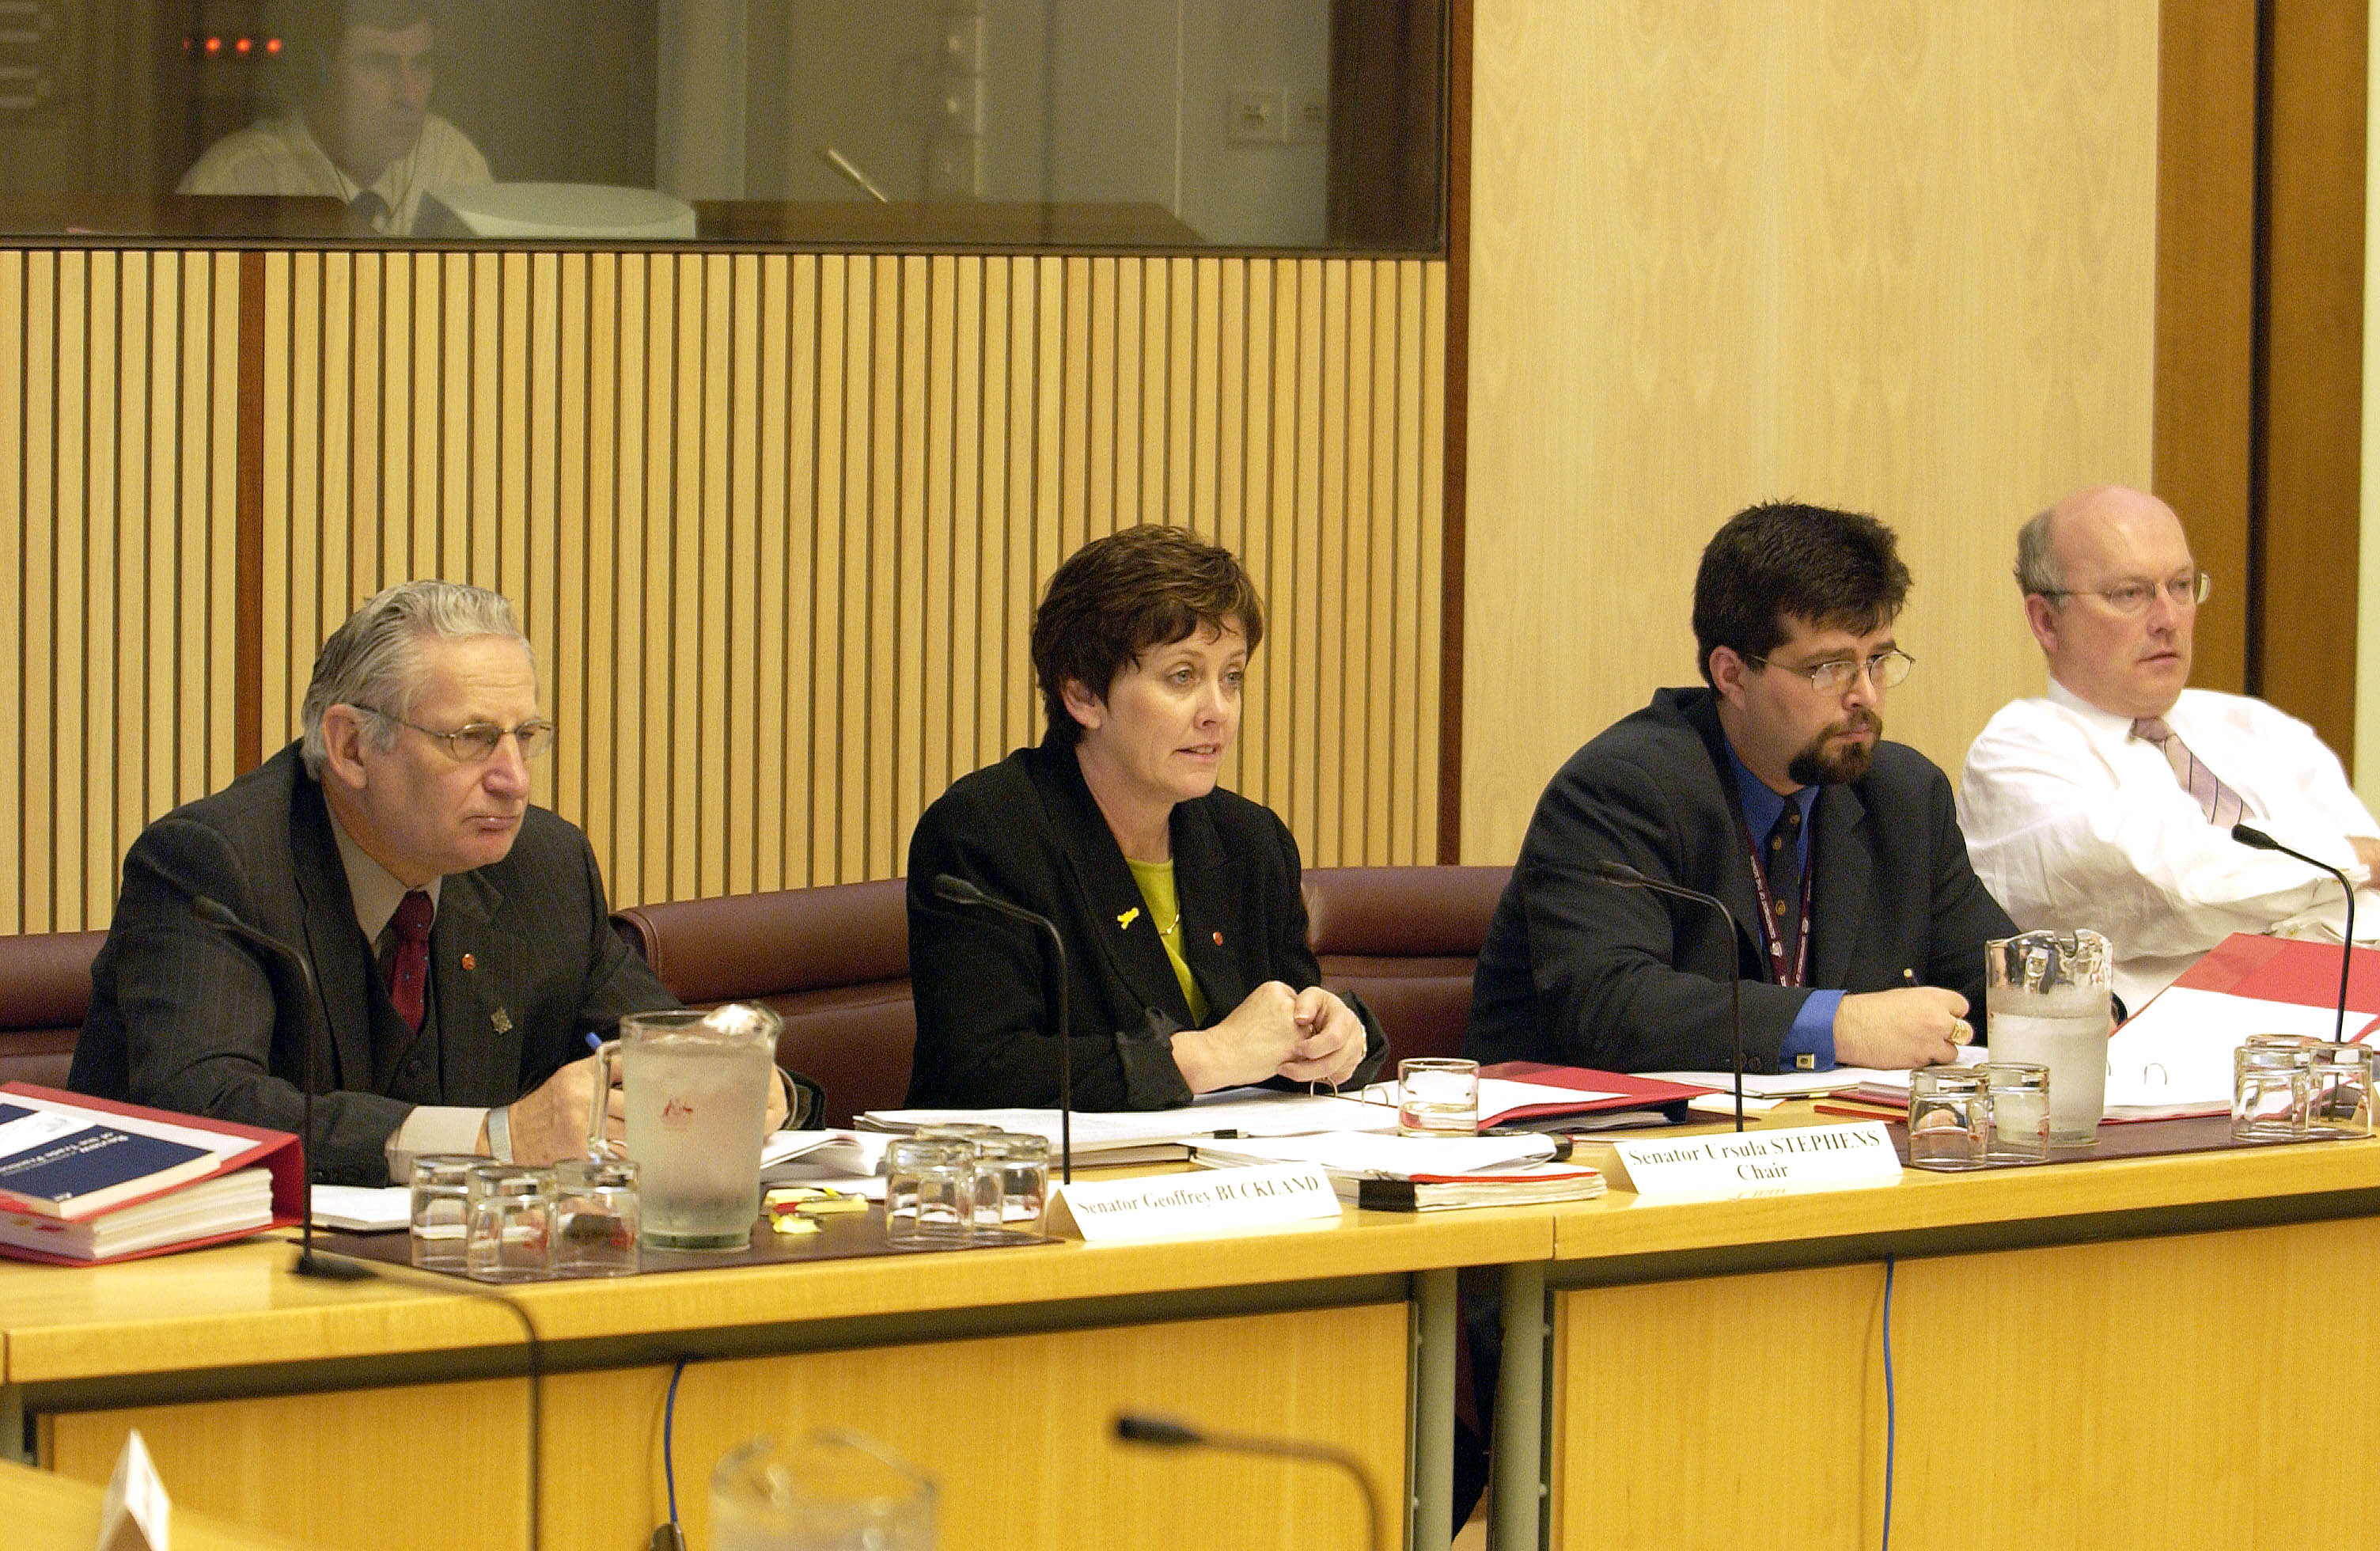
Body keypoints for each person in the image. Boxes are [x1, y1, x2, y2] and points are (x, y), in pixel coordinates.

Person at [71, 581, 809, 1185]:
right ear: (353, 746)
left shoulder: (543, 867)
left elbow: (651, 1043)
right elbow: (207, 1110)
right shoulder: (214, 864)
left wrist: (741, 1085)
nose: (514, 780)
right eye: (473, 739)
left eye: (526, 737)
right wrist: (496, 1137)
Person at [1467, 501, 2016, 1075]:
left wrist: (2071, 1006)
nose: (1866, 696)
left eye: (1877, 660)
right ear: (1731, 674)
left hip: (1827, 1148)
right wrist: (1841, 1025)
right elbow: (1609, 1007)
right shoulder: (1620, 790)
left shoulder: (1902, 796)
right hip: (1595, 1151)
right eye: (1829, 669)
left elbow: (1992, 980)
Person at [905, 525, 1388, 1109]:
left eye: (1231, 677)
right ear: (1082, 695)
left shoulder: (1250, 841)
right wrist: (1211, 1055)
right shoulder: (987, 833)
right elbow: (981, 1073)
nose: (1219, 711)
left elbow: (1286, 1030)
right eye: (1182, 676)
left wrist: (1333, 1039)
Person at [1958, 485, 2380, 1009]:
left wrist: (2330, 880)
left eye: (2181, 587)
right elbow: (2171, 887)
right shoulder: (2018, 750)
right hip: (2162, 1063)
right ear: (2047, 621)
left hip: (2341, 1023)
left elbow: (2367, 905)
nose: (2168, 618)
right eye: (2130, 594)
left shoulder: (2253, 726)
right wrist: (2347, 859)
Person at [178, 1, 491, 237]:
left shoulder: (452, 162)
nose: (407, 96)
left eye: (420, 66)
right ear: (320, 73)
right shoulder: (234, 183)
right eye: (379, 65)